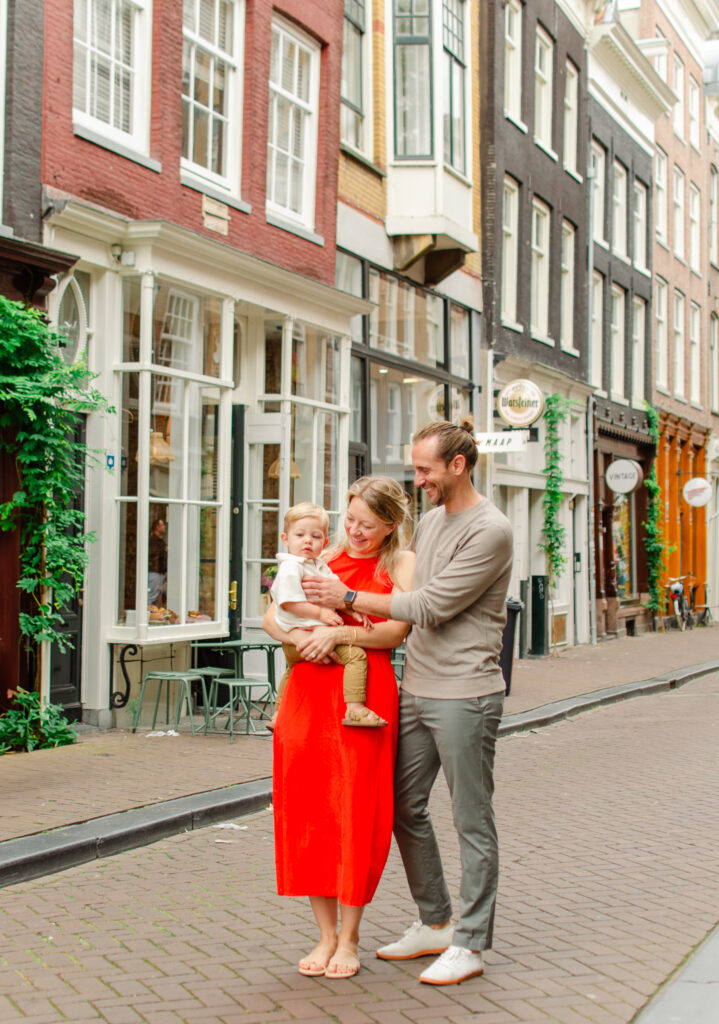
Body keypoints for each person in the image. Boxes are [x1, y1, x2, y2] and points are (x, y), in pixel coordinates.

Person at [303, 419, 513, 987]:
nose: (417, 479)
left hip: (466, 691)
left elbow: (430, 605)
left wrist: (347, 598)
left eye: (425, 469)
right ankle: (436, 920)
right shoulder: (434, 522)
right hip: (417, 687)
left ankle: (470, 942)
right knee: (401, 807)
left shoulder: (490, 529)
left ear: (458, 466)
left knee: (471, 817)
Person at [263, 477, 415, 980]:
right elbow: (271, 613)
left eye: (365, 525)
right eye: (348, 520)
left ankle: (350, 936)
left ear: (390, 525)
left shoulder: (400, 564)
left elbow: (395, 632)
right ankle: (325, 935)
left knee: (354, 810)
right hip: (308, 688)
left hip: (362, 695)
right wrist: (297, 636)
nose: (352, 532)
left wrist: (336, 630)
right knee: (310, 808)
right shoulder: (319, 556)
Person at [267, 501, 386, 731]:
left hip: (302, 640)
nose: (308, 541)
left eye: (315, 536)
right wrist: (321, 612)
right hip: (301, 636)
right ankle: (355, 708)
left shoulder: (318, 565)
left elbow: (338, 592)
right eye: (300, 535)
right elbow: (289, 602)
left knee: (291, 671)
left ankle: (278, 714)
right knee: (356, 656)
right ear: (285, 539)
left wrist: (353, 608)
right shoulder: (292, 567)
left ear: (325, 542)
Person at [147, 516, 167, 605]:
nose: (164, 527)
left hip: (159, 572)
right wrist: (165, 549)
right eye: (162, 525)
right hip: (154, 572)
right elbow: (154, 554)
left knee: (155, 597)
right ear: (157, 527)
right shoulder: (153, 540)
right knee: (151, 597)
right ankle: (146, 616)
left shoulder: (160, 540)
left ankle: (151, 616)